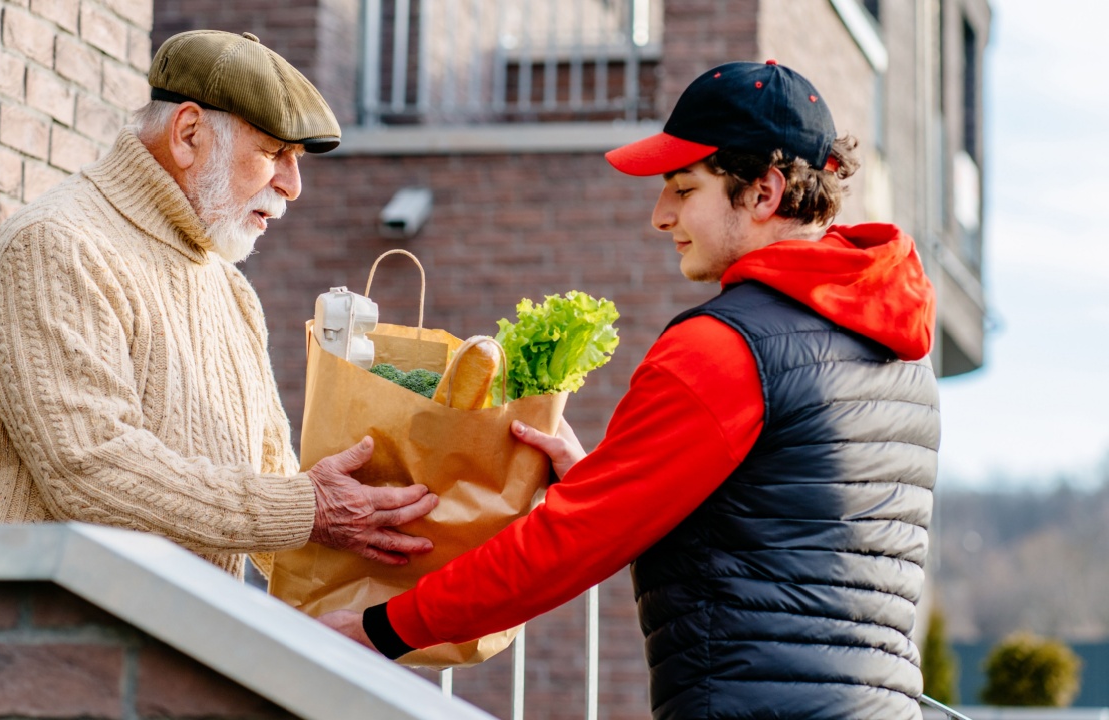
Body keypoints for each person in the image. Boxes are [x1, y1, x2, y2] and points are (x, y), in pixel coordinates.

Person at [323, 60, 939, 719]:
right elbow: (789, 540)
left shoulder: (726, 348)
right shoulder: (899, 351)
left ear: (764, 192)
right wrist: (604, 479)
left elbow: (565, 546)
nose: (659, 215)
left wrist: (376, 630)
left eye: (683, 188)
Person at [0, 30, 437, 579]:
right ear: (189, 133)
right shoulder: (55, 246)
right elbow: (94, 470)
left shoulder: (231, 294)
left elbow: (276, 509)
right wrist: (307, 508)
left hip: (160, 657)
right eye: (275, 153)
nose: (293, 186)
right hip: (31, 655)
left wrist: (431, 522)